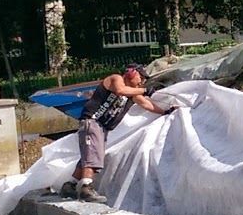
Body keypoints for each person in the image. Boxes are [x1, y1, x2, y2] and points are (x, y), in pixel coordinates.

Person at [64, 64, 173, 204]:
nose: (142, 82)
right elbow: (121, 90)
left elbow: (147, 104)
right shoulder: (116, 79)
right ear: (131, 73)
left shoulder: (132, 93)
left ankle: (70, 185)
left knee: (90, 155)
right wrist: (145, 90)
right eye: (141, 77)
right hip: (92, 121)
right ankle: (86, 188)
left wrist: (165, 111)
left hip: (102, 127)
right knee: (93, 155)